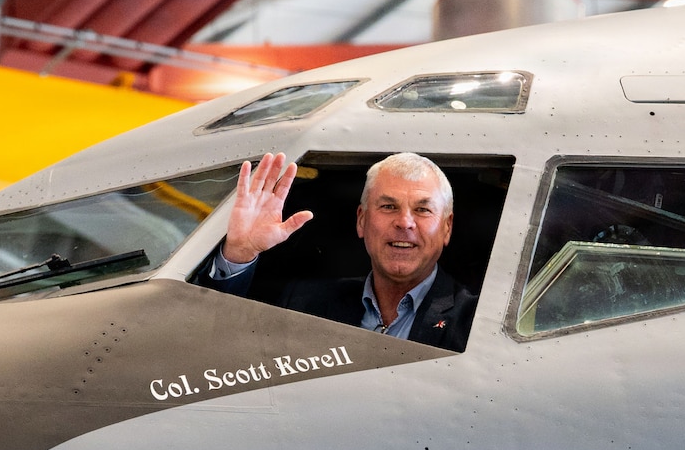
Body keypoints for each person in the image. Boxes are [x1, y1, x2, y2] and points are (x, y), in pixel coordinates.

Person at [200, 151, 478, 352]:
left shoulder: (473, 324)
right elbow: (222, 350)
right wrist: (240, 252)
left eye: (422, 209)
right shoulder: (306, 304)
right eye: (388, 206)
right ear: (361, 220)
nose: (404, 222)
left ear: (446, 228)